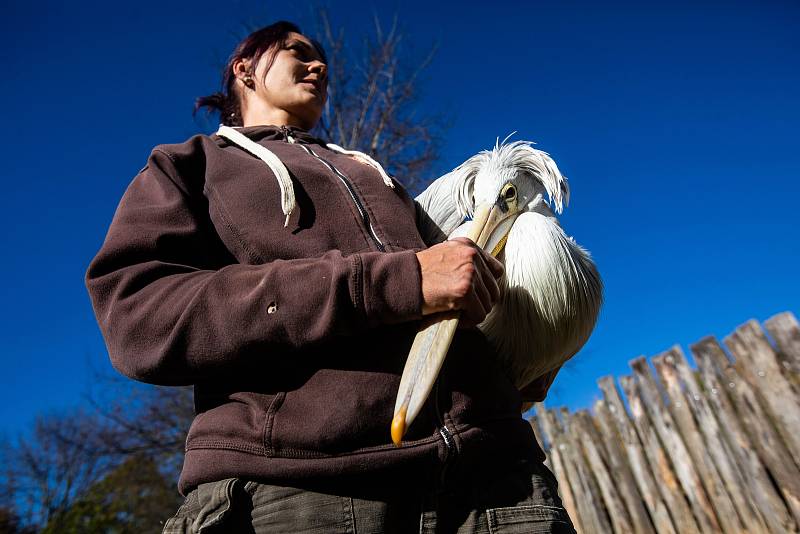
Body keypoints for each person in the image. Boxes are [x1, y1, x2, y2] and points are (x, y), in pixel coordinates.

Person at [86, 20, 575, 533]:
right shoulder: (189, 167)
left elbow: (450, 287)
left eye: (322, 59)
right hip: (302, 494)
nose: (319, 65)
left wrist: (524, 342)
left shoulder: (377, 178)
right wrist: (396, 281)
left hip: (500, 487)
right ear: (245, 68)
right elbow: (137, 315)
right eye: (298, 52)